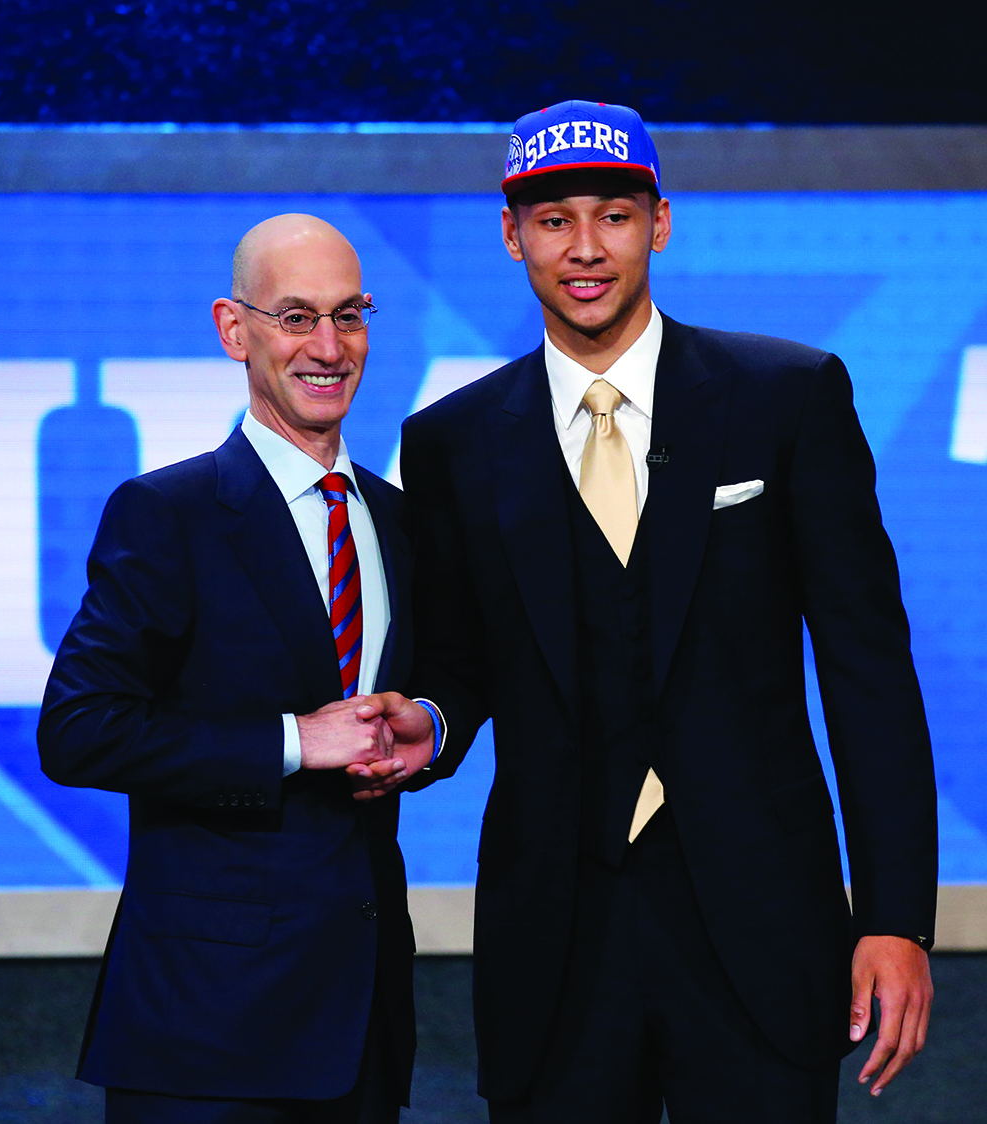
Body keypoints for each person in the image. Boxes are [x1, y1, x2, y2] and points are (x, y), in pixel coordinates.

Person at [392, 101, 938, 1123]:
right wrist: (425, 722)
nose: (585, 247)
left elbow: (866, 669)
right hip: (554, 930)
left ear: (661, 222)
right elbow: (462, 664)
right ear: (511, 235)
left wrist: (897, 917)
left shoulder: (786, 396)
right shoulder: (453, 442)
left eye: (613, 213)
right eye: (553, 220)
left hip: (761, 918)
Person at [37, 213, 436, 1124]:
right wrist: (298, 741)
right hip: (207, 1031)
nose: (329, 347)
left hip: (363, 1020)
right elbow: (77, 730)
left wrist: (426, 734)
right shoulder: (166, 514)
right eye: (296, 318)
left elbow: (420, 705)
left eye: (350, 315)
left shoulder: (396, 519)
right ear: (234, 328)